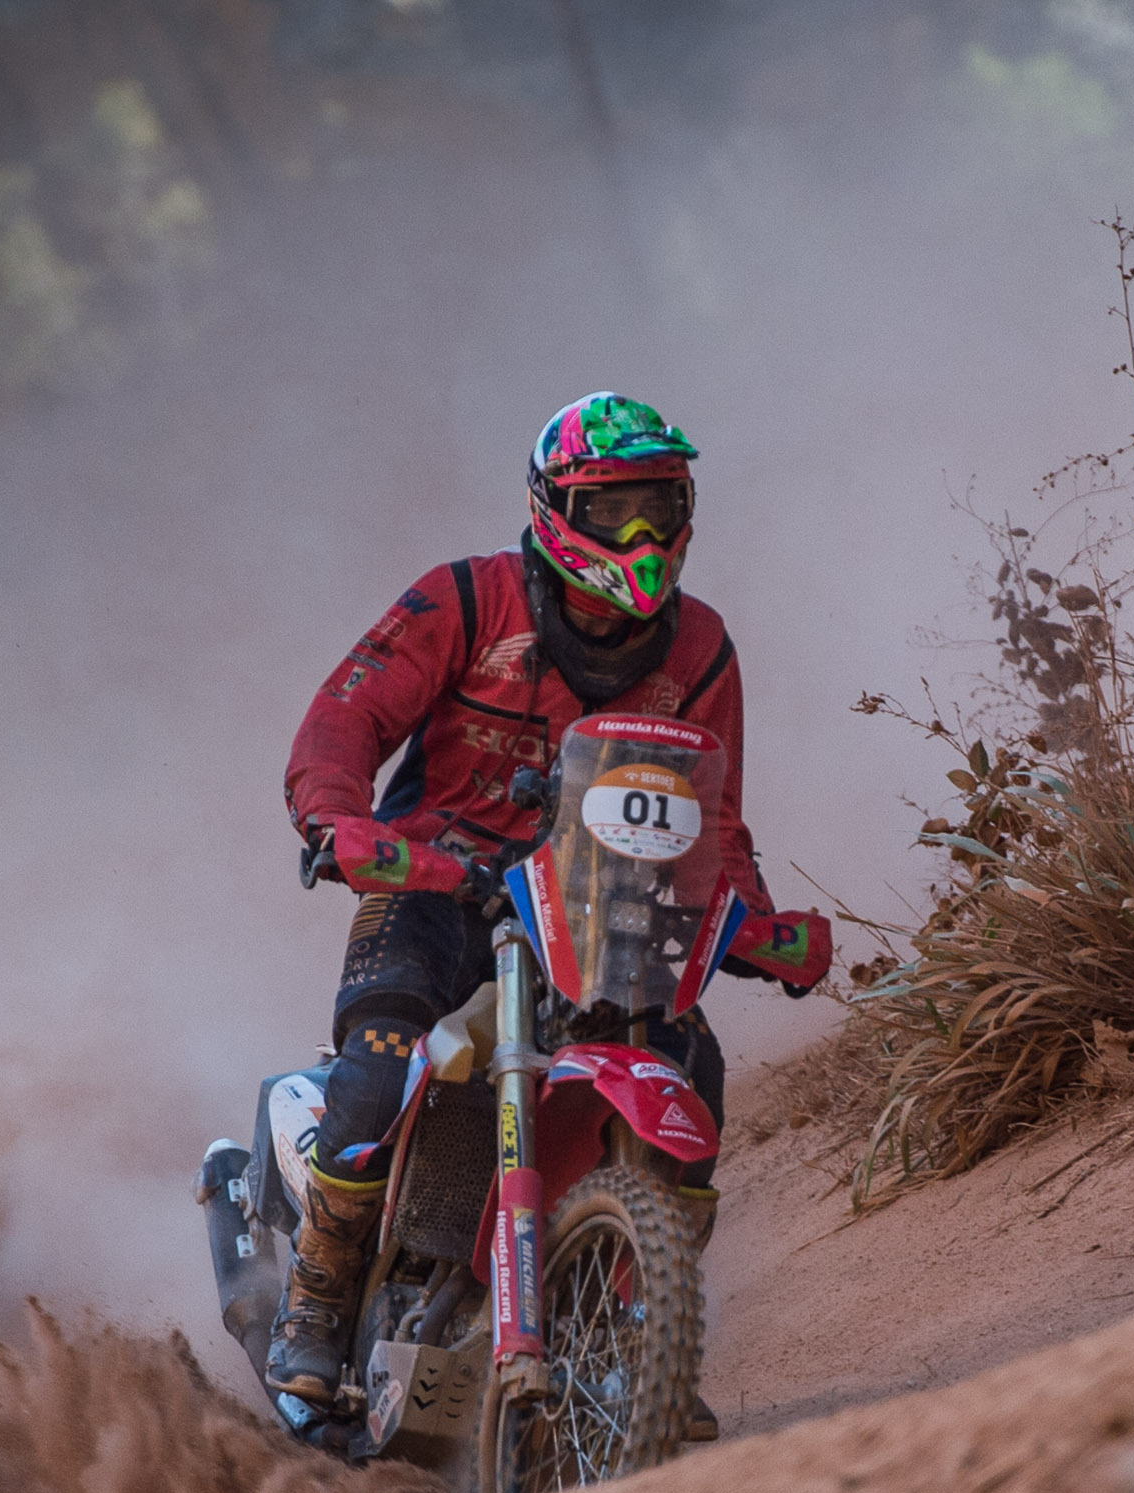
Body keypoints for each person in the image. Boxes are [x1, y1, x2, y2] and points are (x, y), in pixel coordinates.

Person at [267, 392, 832, 1407]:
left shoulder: (700, 650)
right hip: (442, 885)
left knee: (691, 1066)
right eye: (618, 510)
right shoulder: (468, 602)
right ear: (557, 508)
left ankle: (641, 1328)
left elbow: (718, 823)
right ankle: (315, 1303)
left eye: (663, 502)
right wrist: (338, 820)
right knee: (374, 1071)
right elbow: (340, 722)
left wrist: (759, 921)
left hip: (599, 909)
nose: (646, 534)